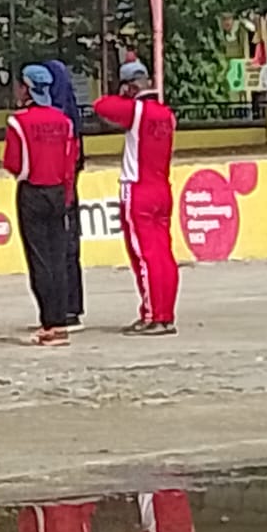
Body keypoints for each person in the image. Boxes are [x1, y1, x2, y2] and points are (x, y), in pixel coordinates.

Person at [92, 60, 179, 335]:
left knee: (143, 256)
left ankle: (151, 315)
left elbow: (101, 106)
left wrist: (123, 95)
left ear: (129, 87)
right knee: (163, 255)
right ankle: (165, 313)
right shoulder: (166, 115)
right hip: (162, 188)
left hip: (138, 189)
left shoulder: (136, 111)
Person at [4, 64, 81, 346]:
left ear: (27, 88)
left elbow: (14, 164)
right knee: (58, 257)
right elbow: (70, 162)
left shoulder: (18, 122)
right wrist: (67, 193)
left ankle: (49, 322)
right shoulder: (64, 122)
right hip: (59, 191)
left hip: (33, 191)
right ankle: (60, 320)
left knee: (39, 259)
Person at [44, 57, 87, 328]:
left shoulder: (58, 119)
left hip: (58, 187)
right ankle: (71, 305)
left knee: (61, 247)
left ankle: (64, 306)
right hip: (68, 186)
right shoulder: (72, 116)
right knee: (69, 247)